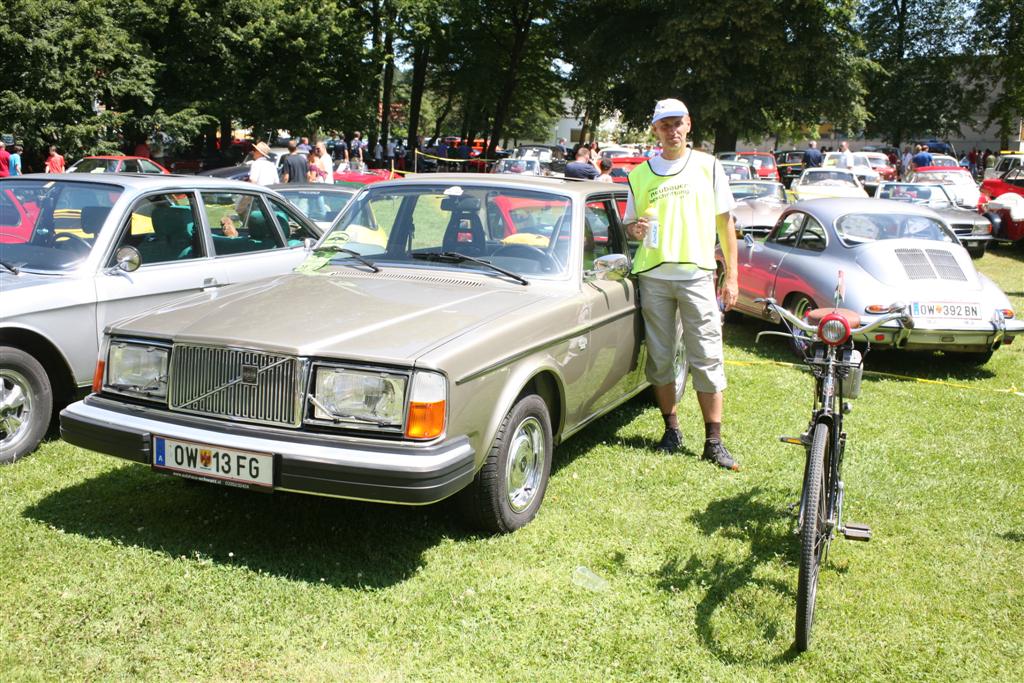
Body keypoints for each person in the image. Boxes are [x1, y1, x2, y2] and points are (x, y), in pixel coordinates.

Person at [623, 97, 739, 470]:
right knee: (660, 358)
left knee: (706, 355)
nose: (672, 130)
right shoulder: (639, 174)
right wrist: (635, 228)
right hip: (654, 276)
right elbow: (629, 224)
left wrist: (732, 277)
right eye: (664, 125)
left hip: (696, 275)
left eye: (677, 123)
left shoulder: (708, 167)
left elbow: (726, 225)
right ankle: (671, 429)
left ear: (689, 124)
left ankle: (714, 440)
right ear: (654, 129)